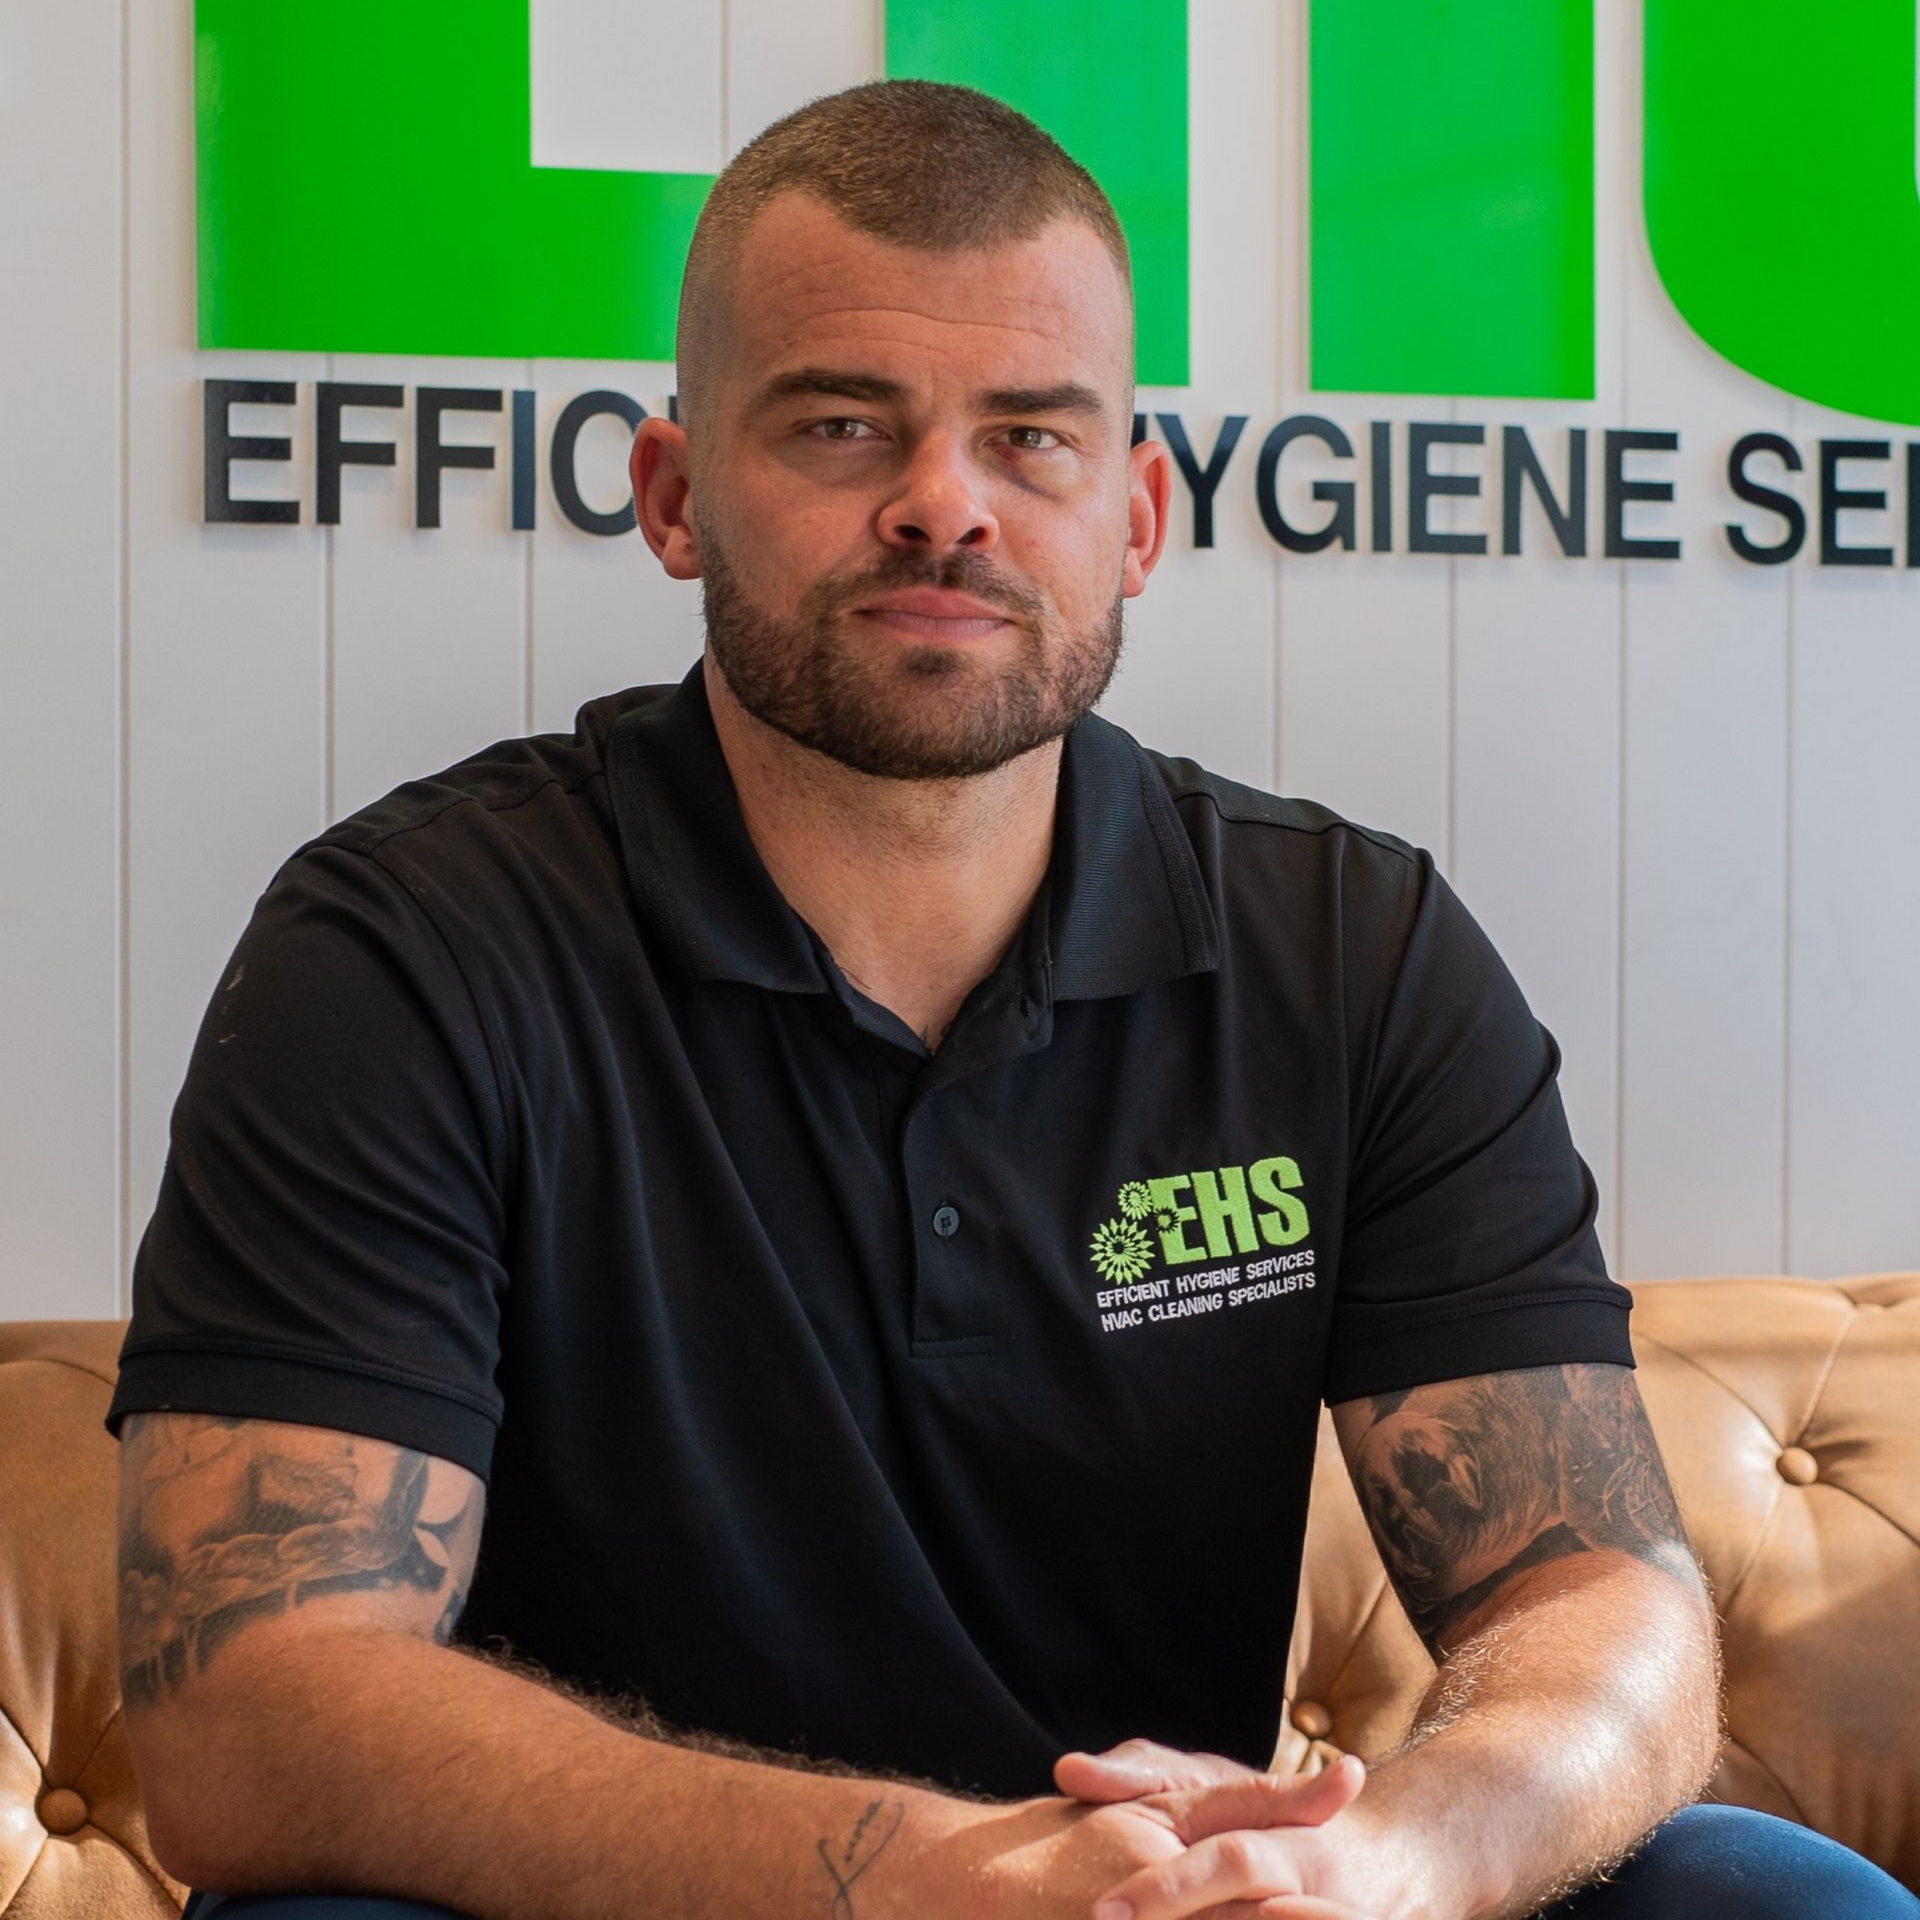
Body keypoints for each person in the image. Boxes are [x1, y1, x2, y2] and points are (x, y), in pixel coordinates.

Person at [109, 80, 1915, 1920]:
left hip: (1182, 1908)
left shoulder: (1351, 946)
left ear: (1133, 516)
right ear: (672, 497)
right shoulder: (409, 951)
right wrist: (916, 1875)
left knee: (1766, 1894)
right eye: (838, 425)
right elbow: (245, 1711)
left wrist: (1401, 1854)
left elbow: (1597, 1589)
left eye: (1030, 440)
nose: (941, 508)